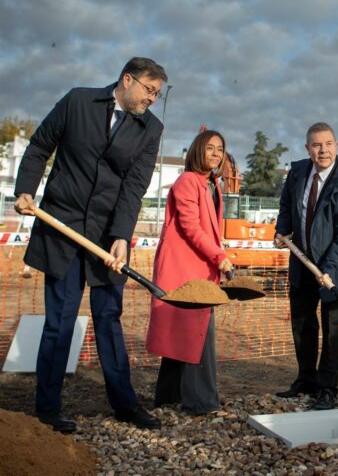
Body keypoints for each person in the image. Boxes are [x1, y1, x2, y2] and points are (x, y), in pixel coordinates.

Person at [14, 57, 168, 433]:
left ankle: (124, 404)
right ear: (127, 79)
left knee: (108, 319)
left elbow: (134, 186)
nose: (152, 99)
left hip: (105, 237)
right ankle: (48, 408)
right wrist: (25, 190)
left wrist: (121, 237)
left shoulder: (151, 128)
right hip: (61, 229)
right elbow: (39, 146)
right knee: (60, 321)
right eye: (149, 90)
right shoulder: (78, 101)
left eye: (157, 94)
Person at [273, 122, 338, 410]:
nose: (323, 150)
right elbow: (287, 206)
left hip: (336, 270)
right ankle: (306, 378)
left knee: (334, 328)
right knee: (302, 323)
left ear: (337, 146)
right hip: (302, 264)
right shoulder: (298, 172)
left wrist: (328, 269)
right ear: (307, 148)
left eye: (328, 144)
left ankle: (327, 388)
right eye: (316, 144)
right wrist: (282, 229)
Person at [145, 129, 233, 415]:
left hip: (200, 268)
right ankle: (201, 402)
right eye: (210, 148)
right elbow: (190, 226)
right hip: (183, 268)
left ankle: (168, 397)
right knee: (196, 335)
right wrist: (219, 257)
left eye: (220, 149)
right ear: (197, 151)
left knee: (181, 333)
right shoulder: (187, 181)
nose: (216, 153)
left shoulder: (213, 185)